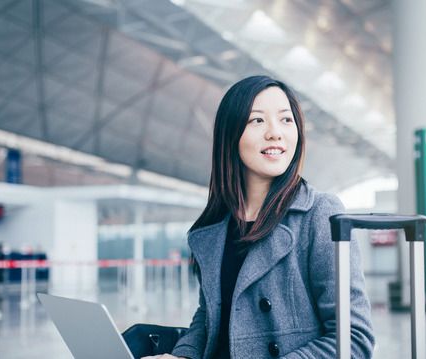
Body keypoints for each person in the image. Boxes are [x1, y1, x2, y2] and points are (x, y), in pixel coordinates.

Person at [142, 76, 374, 358]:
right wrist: (182, 356)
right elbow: (210, 319)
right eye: (258, 121)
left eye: (286, 120)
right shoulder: (216, 227)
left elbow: (353, 339)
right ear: (231, 134)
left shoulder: (319, 215)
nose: (276, 133)